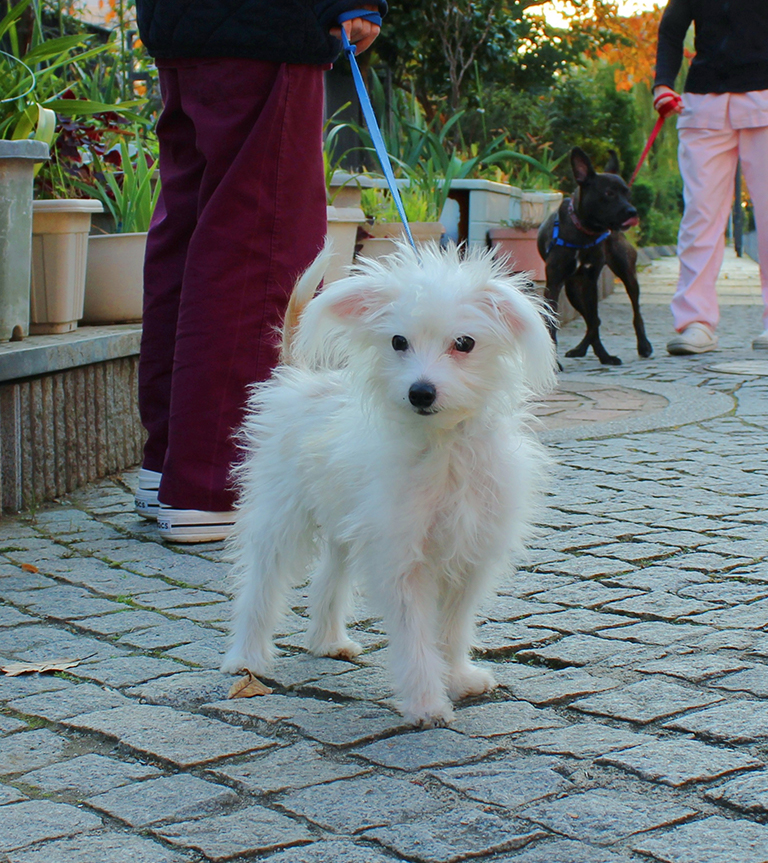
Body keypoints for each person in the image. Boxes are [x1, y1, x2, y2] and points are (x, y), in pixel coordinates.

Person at [133, 0, 386, 542]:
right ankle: (216, 482)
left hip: (179, 24)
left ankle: (168, 463)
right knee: (261, 245)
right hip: (269, 25)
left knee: (189, 233)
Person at [652, 0, 768, 355]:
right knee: (700, 215)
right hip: (703, 103)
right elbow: (671, 28)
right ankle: (696, 321)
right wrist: (662, 84)